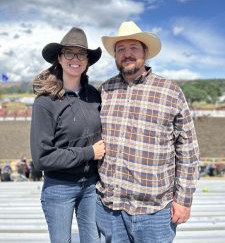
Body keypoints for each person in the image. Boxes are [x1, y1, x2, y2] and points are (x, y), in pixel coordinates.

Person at [96, 21, 200, 243]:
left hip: (155, 211)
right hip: (111, 208)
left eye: (133, 47)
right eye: (120, 49)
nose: (127, 54)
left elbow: (188, 150)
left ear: (145, 52)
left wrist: (184, 199)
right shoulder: (105, 90)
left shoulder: (169, 91)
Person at [30, 27, 105, 243]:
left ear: (87, 61)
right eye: (69, 53)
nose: (75, 59)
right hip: (59, 187)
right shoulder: (45, 102)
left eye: (81, 54)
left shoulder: (94, 95)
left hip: (91, 185)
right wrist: (89, 152)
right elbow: (42, 158)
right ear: (59, 59)